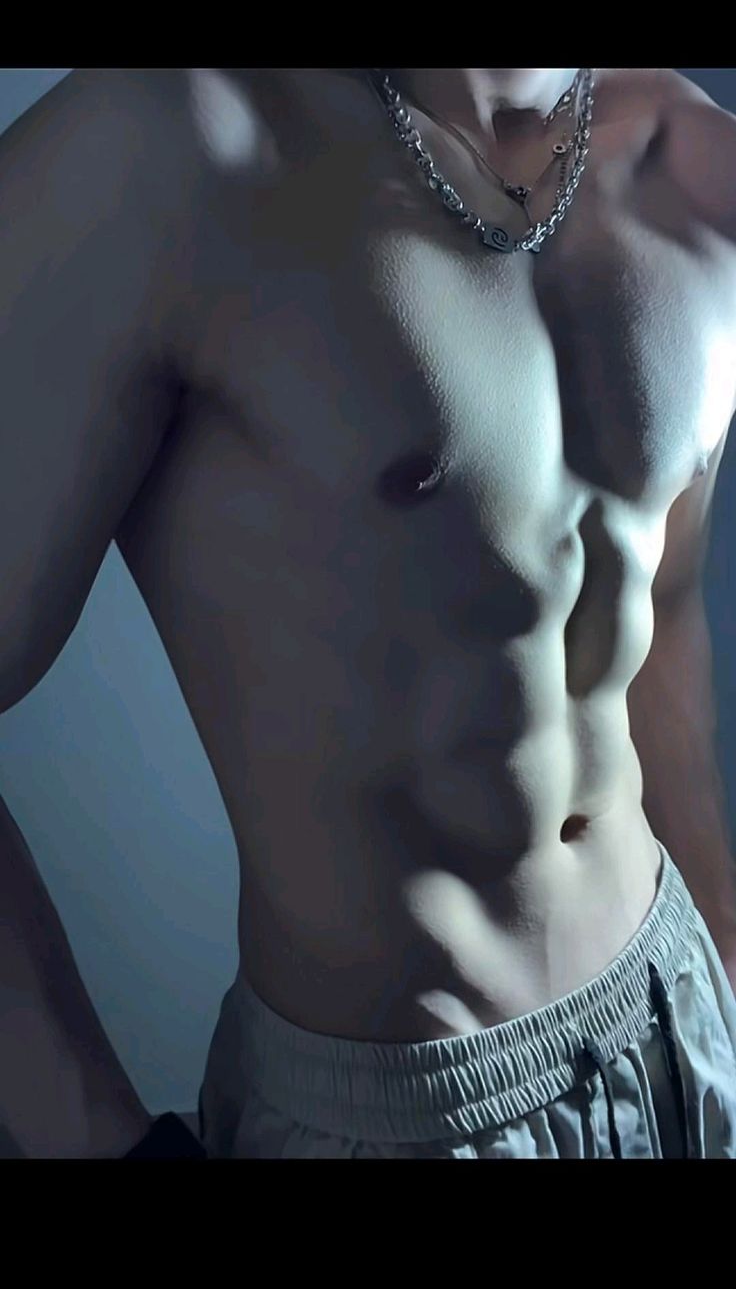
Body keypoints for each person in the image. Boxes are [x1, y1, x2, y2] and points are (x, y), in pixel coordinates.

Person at [2, 66, 736, 1160]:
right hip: (403, 1112)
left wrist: (725, 954)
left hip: (682, 1022)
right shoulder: (166, 147)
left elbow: (658, 604)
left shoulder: (696, 156)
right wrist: (102, 1144)